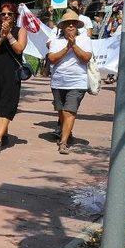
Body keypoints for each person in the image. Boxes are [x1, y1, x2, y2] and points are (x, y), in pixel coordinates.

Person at [0, 2, 28, 153]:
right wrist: (1, 38)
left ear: (15, 16)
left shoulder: (20, 30)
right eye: (3, 14)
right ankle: (4, 134)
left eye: (10, 14)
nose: (6, 17)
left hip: (12, 73)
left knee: (7, 104)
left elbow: (19, 49)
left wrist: (8, 35)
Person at [47, 9, 92, 155]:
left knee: (69, 111)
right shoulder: (55, 40)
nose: (71, 26)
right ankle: (67, 132)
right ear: (63, 27)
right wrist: (68, 47)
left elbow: (86, 57)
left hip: (77, 81)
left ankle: (63, 142)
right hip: (58, 81)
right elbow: (52, 58)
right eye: (68, 24)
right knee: (61, 112)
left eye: (74, 24)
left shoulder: (85, 40)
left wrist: (74, 45)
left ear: (77, 26)